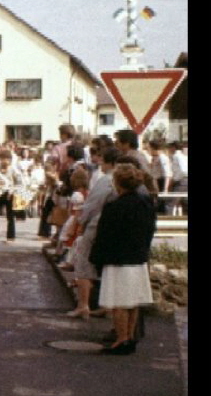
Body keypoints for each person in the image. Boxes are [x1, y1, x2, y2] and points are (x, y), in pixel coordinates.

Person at [89, 163, 156, 355]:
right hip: (138, 257)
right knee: (133, 301)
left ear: (118, 182)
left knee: (119, 302)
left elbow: (105, 235)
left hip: (118, 258)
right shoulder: (146, 203)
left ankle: (121, 338)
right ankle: (130, 336)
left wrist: (97, 258)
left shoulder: (115, 206)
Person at [68, 146, 119, 319]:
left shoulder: (107, 180)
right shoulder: (120, 179)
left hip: (97, 224)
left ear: (109, 162)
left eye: (103, 161)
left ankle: (83, 305)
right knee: (106, 267)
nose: (100, 164)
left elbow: (93, 204)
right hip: (113, 228)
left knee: (84, 263)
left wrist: (81, 222)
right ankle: (106, 305)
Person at [146, 140, 171, 215]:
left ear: (153, 148)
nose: (148, 150)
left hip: (161, 182)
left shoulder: (162, 158)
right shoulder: (154, 158)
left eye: (149, 148)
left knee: (162, 204)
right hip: (155, 182)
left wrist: (165, 188)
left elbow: (167, 173)